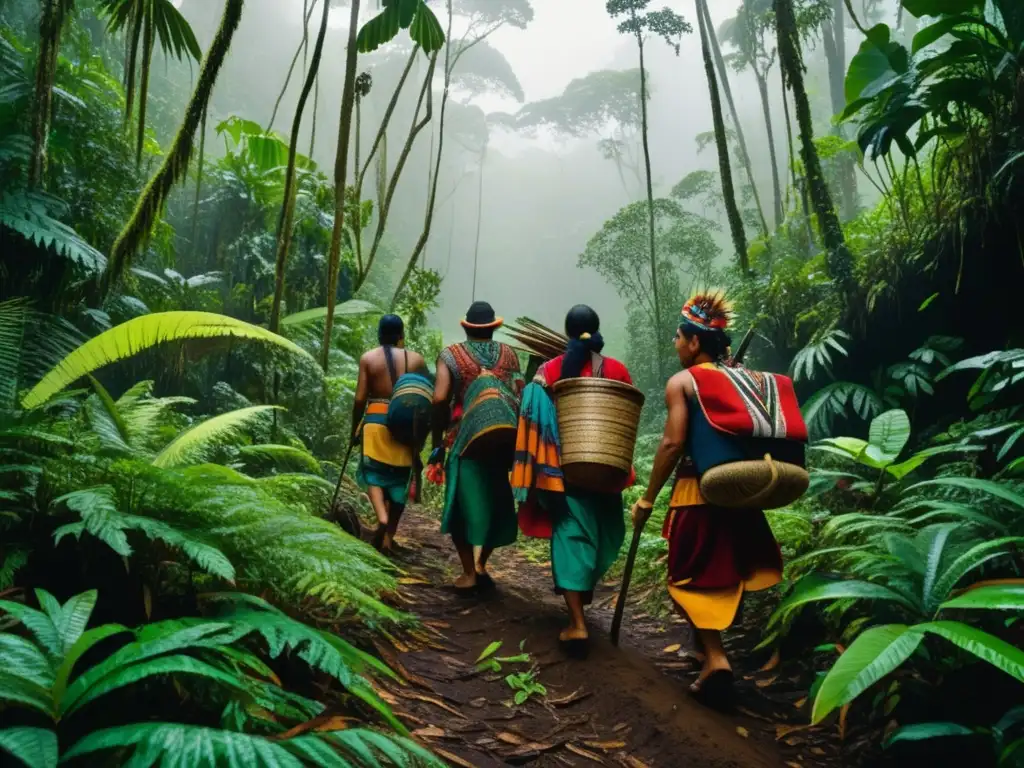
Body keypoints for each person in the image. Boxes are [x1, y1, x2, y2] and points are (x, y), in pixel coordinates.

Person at [630, 294, 785, 710]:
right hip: (742, 493)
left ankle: (716, 657)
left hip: (697, 493)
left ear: (695, 344)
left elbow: (673, 442)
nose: (676, 345)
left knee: (688, 576)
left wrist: (647, 499)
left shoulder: (684, 382)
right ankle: (702, 647)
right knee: (725, 569)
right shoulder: (744, 377)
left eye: (679, 338)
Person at [513, 305, 633, 655]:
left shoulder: (548, 372)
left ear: (566, 333)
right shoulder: (616, 370)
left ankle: (577, 623)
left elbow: (532, 415)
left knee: (569, 537)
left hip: (566, 473)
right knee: (599, 534)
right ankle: (581, 594)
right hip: (606, 470)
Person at [428, 301, 523, 592]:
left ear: (467, 328)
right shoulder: (509, 354)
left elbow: (440, 398)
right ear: (494, 327)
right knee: (496, 499)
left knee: (460, 504)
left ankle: (469, 572)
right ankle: (483, 563)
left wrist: (437, 444)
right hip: (502, 436)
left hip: (462, 438)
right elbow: (520, 392)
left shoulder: (451, 355)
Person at [351, 314, 428, 553]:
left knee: (372, 472)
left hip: (374, 421)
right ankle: (389, 535)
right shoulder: (415, 360)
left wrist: (354, 428)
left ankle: (381, 518)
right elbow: (425, 394)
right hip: (404, 425)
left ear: (379, 334)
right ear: (401, 336)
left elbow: (360, 398)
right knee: (399, 478)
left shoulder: (368, 359)